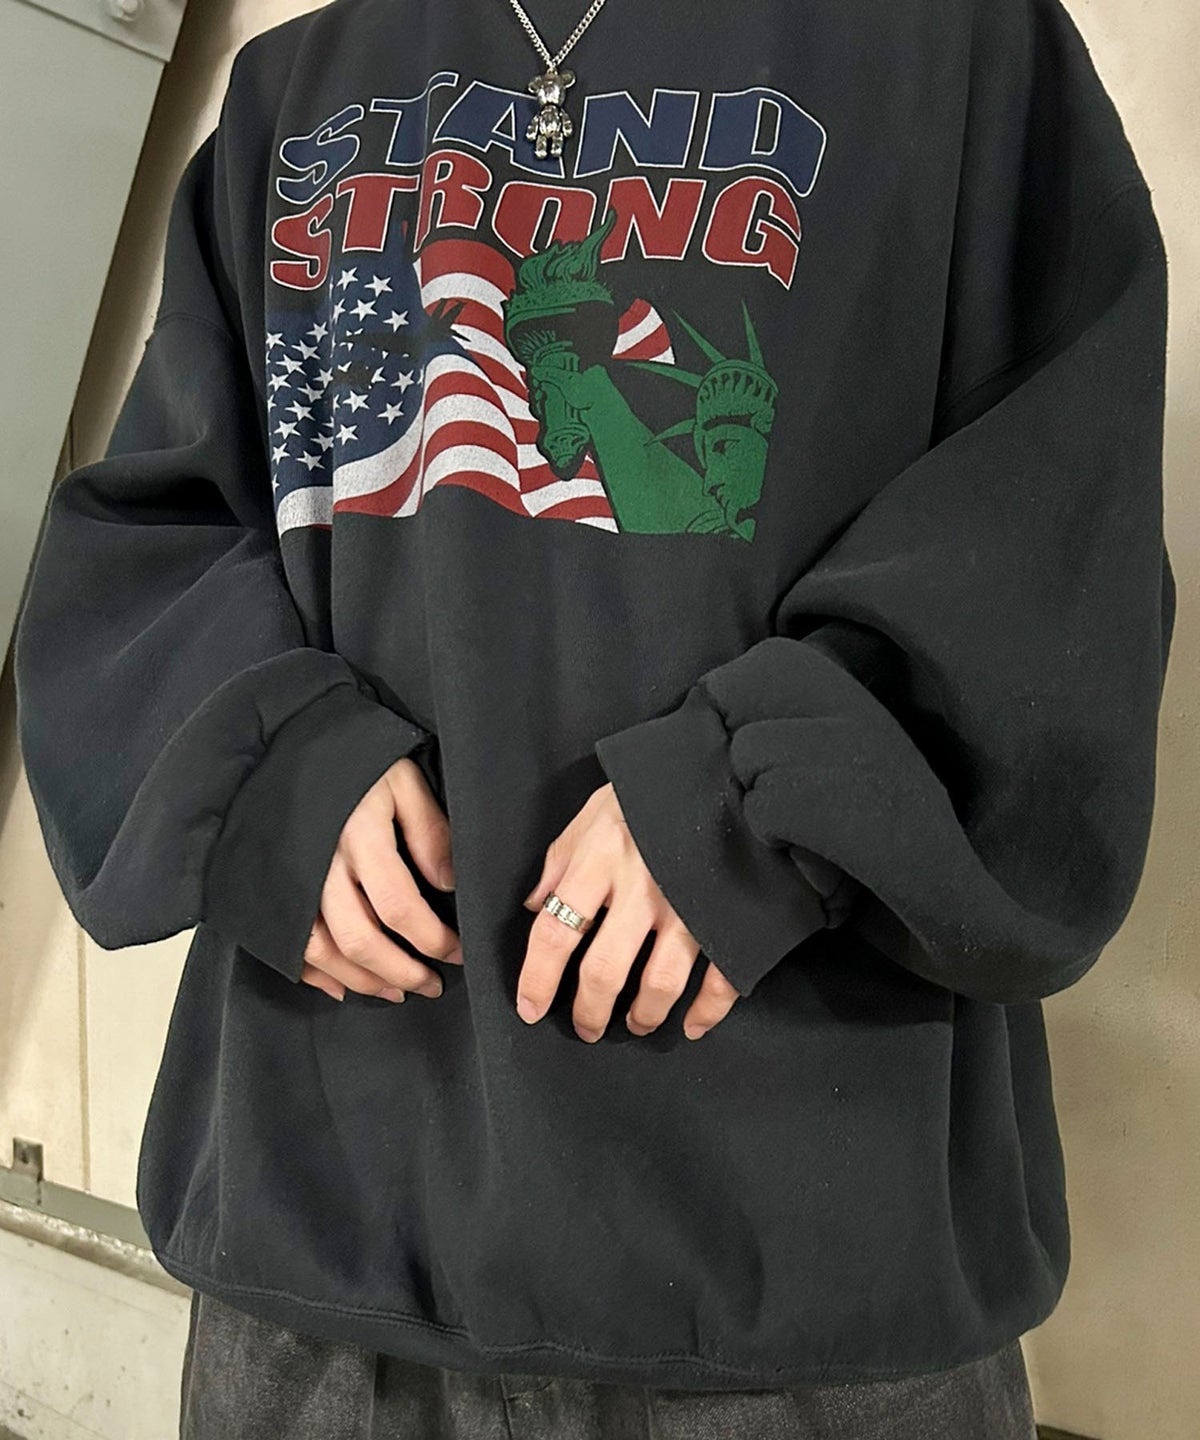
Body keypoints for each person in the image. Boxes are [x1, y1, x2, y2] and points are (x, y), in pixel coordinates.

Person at [12, 0, 1173, 1433]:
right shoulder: (292, 88)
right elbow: (145, 545)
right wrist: (272, 772)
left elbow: (1059, 550)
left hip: (802, 1285)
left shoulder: (963, 48)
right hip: (323, 1261)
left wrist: (757, 797)